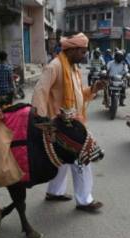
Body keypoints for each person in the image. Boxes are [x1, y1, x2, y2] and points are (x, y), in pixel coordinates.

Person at [31, 32, 104, 212]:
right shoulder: (55, 66)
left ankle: (54, 192)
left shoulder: (74, 69)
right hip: (60, 125)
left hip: (74, 123)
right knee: (82, 158)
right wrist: (39, 119)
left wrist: (94, 89)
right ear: (71, 50)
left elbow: (80, 95)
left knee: (62, 160)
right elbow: (40, 91)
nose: (84, 55)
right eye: (82, 51)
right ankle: (85, 200)